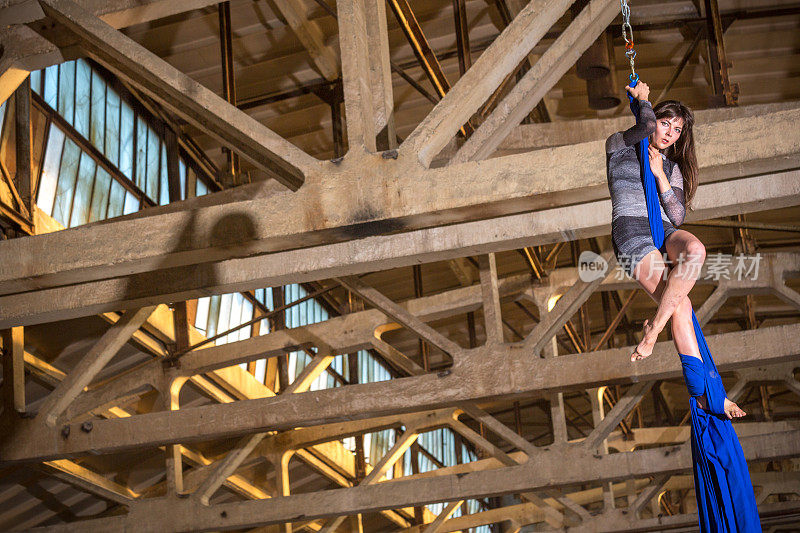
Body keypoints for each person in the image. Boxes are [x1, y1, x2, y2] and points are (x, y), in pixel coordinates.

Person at [605, 81, 746, 421]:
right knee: (680, 305)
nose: (669, 133)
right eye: (666, 123)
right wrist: (643, 100)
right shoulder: (618, 146)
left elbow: (677, 214)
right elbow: (644, 127)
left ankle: (654, 327)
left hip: (663, 230)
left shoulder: (673, 168)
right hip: (632, 232)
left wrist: (660, 176)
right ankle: (705, 395)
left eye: (677, 130)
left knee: (696, 249)